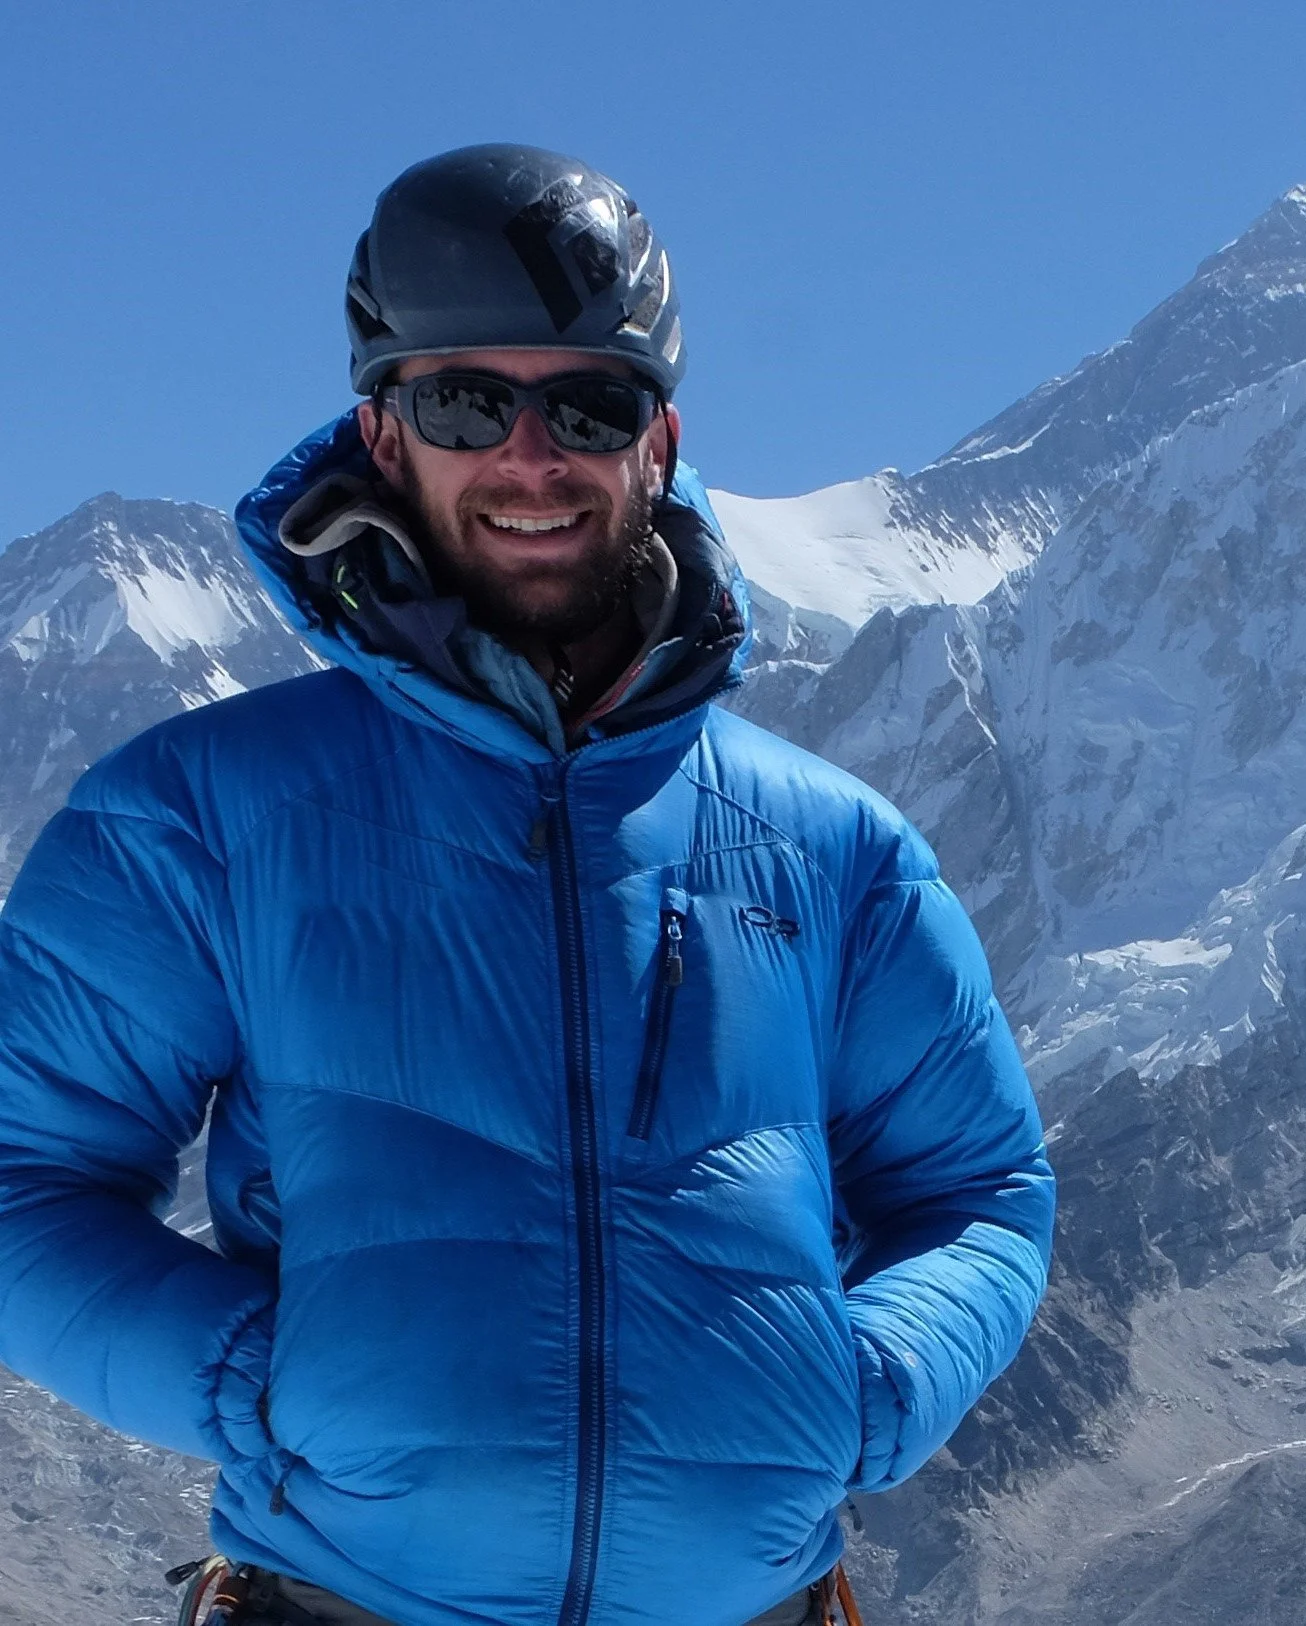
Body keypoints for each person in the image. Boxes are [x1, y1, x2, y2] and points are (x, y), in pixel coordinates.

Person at [0, 145, 1054, 1626]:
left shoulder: (836, 852)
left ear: (661, 440)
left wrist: (864, 1388)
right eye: (464, 402)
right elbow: (22, 1173)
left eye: (590, 405)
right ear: (382, 431)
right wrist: (259, 1385)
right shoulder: (195, 818)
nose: (531, 455)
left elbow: (978, 1191)